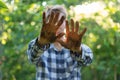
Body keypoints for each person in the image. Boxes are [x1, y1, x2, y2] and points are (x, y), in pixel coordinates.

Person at [27, 5, 93, 80]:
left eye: (60, 21)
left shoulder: (75, 45)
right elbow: (32, 58)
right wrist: (41, 43)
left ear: (65, 23)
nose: (57, 25)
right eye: (53, 21)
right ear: (46, 24)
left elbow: (88, 61)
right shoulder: (38, 45)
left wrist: (78, 50)